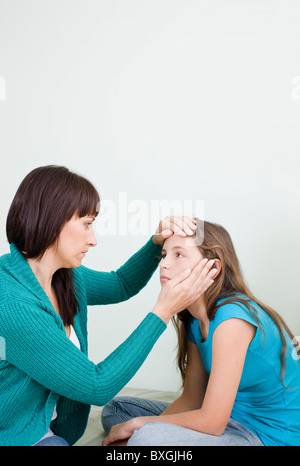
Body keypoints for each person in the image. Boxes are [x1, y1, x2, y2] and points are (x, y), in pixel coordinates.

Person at [0, 166, 217, 446]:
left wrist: (156, 242)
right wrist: (162, 312)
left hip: (48, 429)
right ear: (53, 221)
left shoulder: (63, 275)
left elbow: (121, 284)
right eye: (87, 224)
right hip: (14, 435)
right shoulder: (15, 306)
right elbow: (96, 386)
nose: (93, 239)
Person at [102, 220, 300, 447]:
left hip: (264, 436)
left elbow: (212, 422)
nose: (164, 264)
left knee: (143, 436)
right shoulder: (194, 317)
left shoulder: (232, 320)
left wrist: (140, 427)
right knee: (115, 410)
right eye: (164, 254)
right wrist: (142, 425)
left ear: (213, 268)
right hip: (225, 422)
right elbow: (192, 399)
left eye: (178, 255)